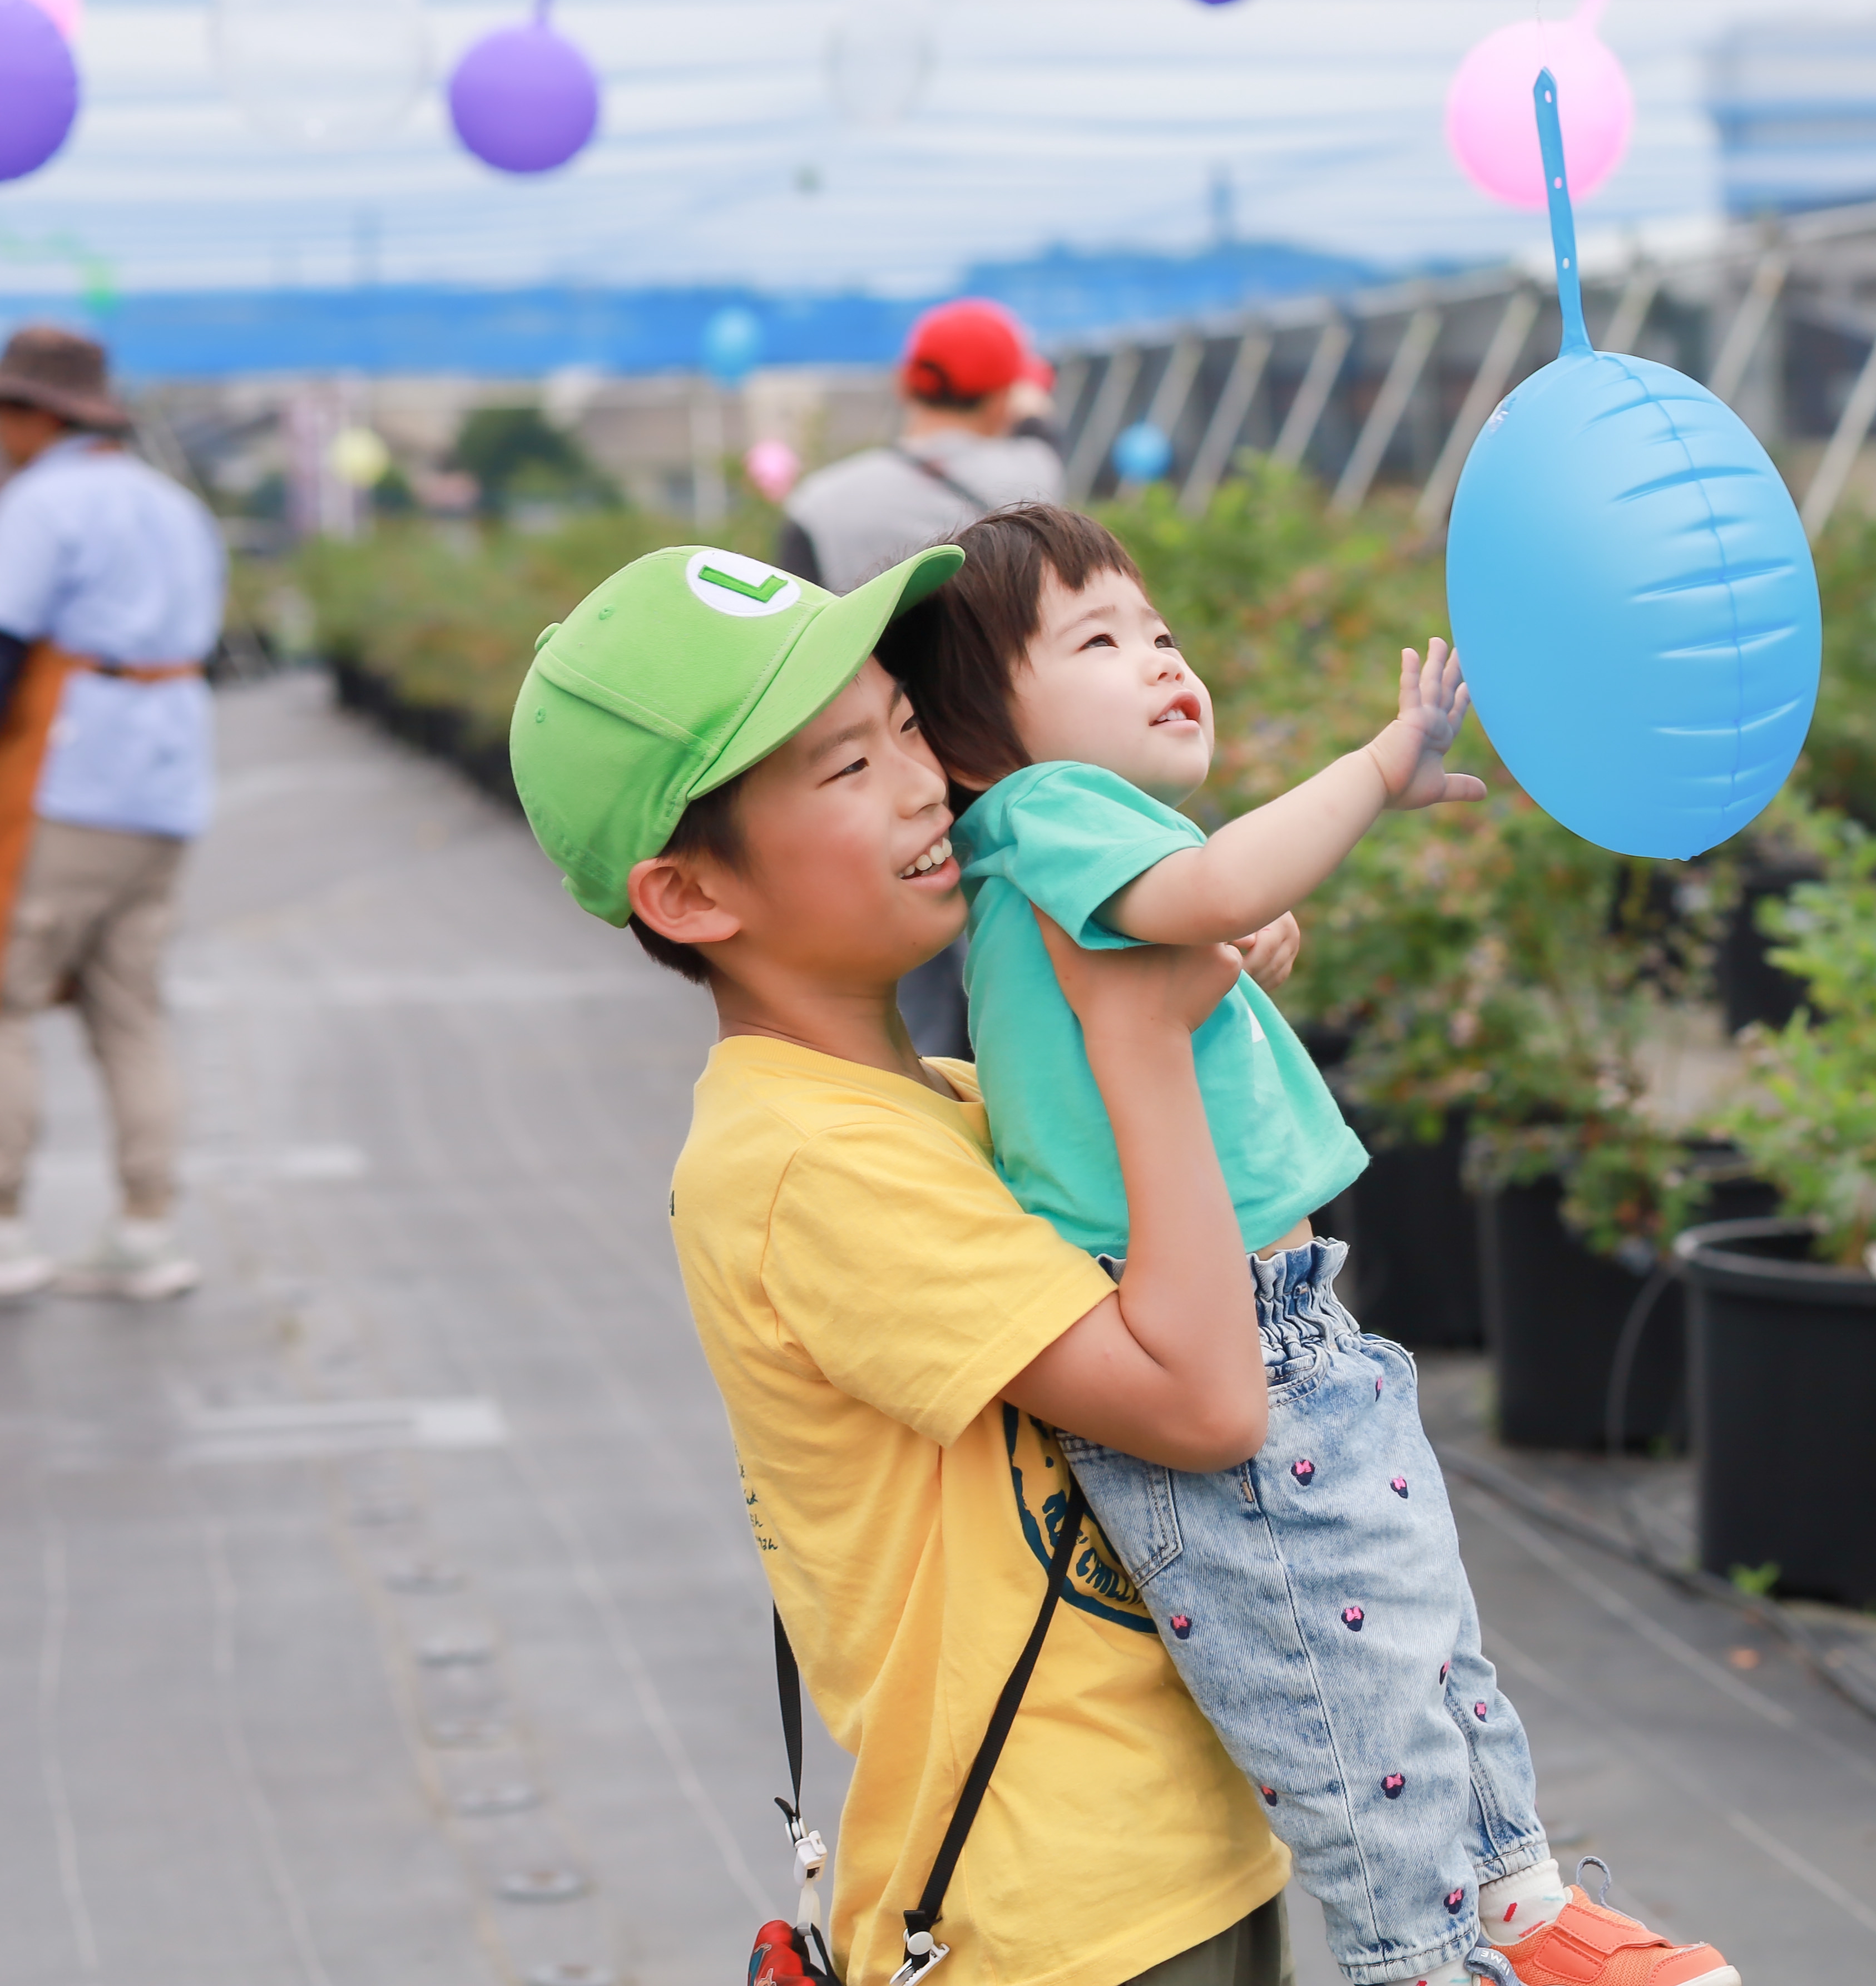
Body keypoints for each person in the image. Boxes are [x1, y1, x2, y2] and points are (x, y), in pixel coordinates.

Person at [881, 503, 1736, 1986]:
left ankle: (1518, 1903)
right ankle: (1428, 1955)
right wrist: (1375, 772)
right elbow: (1219, 889)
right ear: (977, 739)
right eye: (1097, 640)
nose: (1160, 658)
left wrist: (1239, 932)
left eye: (1159, 628)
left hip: (1287, 1321)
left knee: (1420, 1631)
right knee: (1355, 1715)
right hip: (1220, 1344)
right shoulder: (1043, 812)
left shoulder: (1093, 845)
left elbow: (1203, 914)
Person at [509, 541, 1298, 1986]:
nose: (927, 783)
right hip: (1053, 1919)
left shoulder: (954, 1099)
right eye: (846, 767)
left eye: (910, 724)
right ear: (689, 895)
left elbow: (1279, 1286)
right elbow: (1211, 1403)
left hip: (1176, 1859)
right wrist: (1141, 1035)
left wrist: (1201, 1007)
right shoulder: (806, 1165)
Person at [774, 297, 1068, 1059]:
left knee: (910, 982)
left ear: (908, 384)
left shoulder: (822, 503)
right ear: (1006, 395)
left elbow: (794, 654)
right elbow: (1043, 428)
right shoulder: (1036, 475)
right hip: (1011, 760)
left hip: (878, 770)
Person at [0, 328, 224, 1303]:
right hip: (166, 784)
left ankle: (5, 1228)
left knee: (7, 998)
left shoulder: (41, 504)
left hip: (70, 777)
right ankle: (146, 1225)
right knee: (130, 1008)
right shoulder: (174, 506)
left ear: (37, 415)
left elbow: (5, 644)